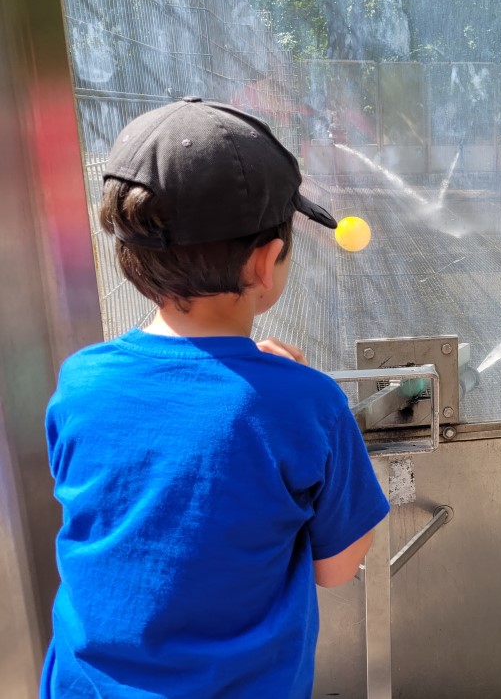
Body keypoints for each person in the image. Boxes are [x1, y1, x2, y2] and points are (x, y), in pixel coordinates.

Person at [41, 97, 390, 698]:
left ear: (129, 256)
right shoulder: (308, 404)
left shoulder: (80, 381)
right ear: (265, 263)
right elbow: (336, 568)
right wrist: (290, 390)